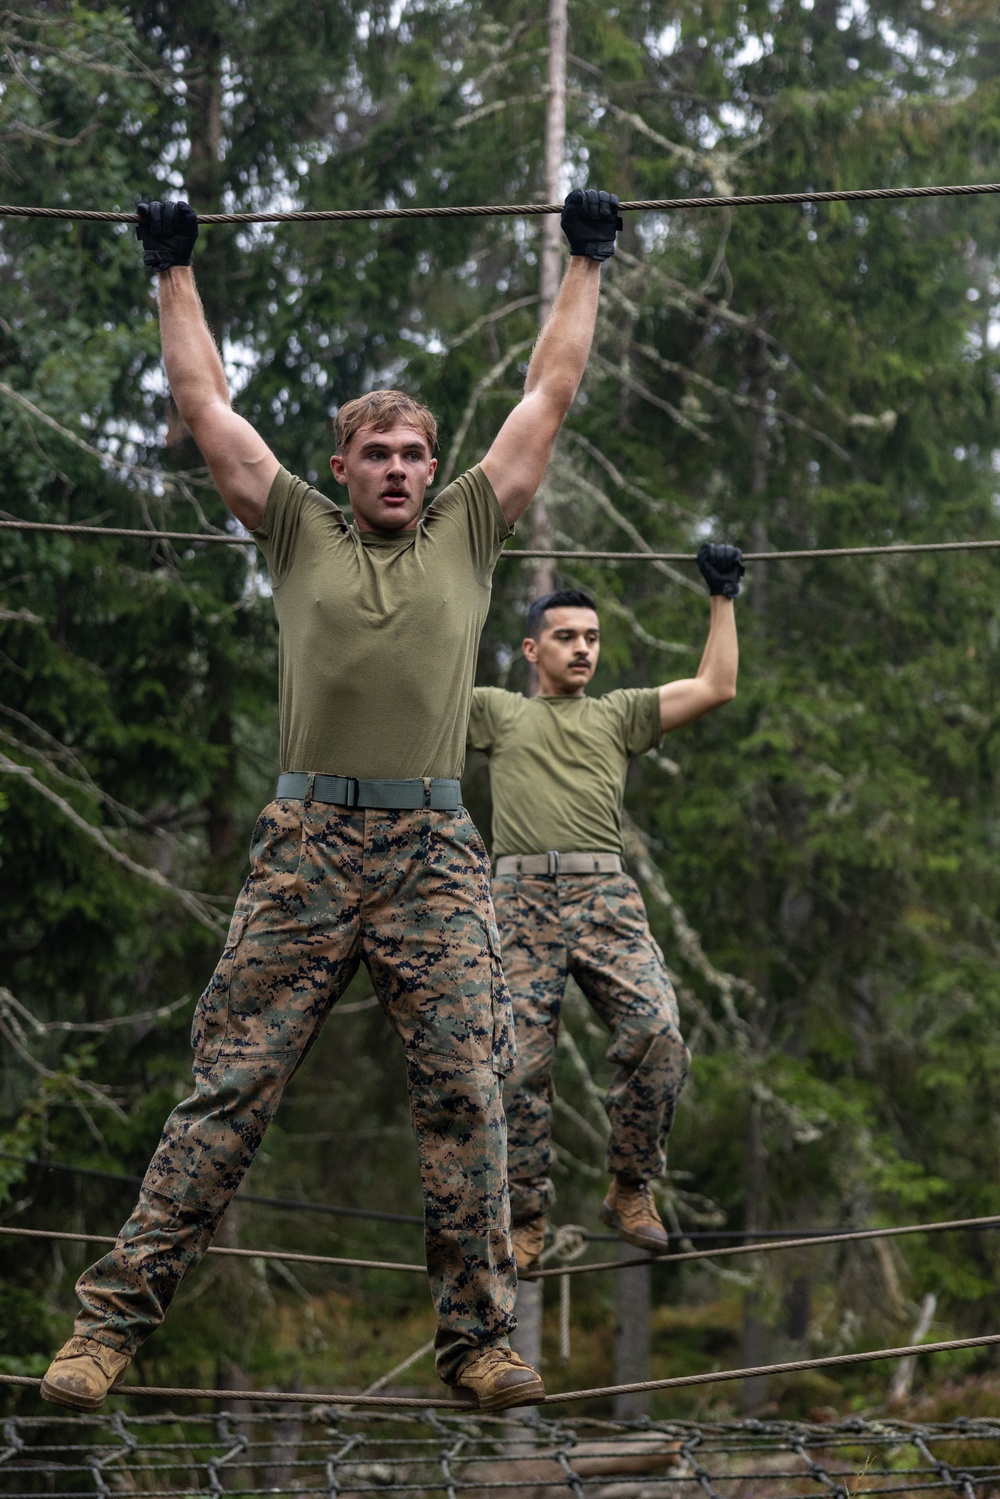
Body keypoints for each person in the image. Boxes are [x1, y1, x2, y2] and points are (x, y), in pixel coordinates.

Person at [41, 188, 624, 1414]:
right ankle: (106, 1331)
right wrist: (172, 269)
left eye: (417, 452)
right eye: (381, 453)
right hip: (307, 843)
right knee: (228, 1090)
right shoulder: (295, 527)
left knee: (469, 1086)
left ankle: (476, 1342)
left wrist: (586, 260)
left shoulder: (471, 528)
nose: (404, 469)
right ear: (342, 467)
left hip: (429, 848)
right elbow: (207, 406)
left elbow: (547, 397)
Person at [466, 545, 743, 1272]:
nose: (583, 648)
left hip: (604, 897)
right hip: (519, 899)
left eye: (591, 637)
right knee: (517, 1066)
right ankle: (524, 1216)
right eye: (566, 636)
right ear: (532, 649)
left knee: (659, 1032)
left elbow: (716, 685)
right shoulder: (497, 714)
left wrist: (723, 595)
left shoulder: (620, 715)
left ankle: (630, 1186)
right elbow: (416, 690)